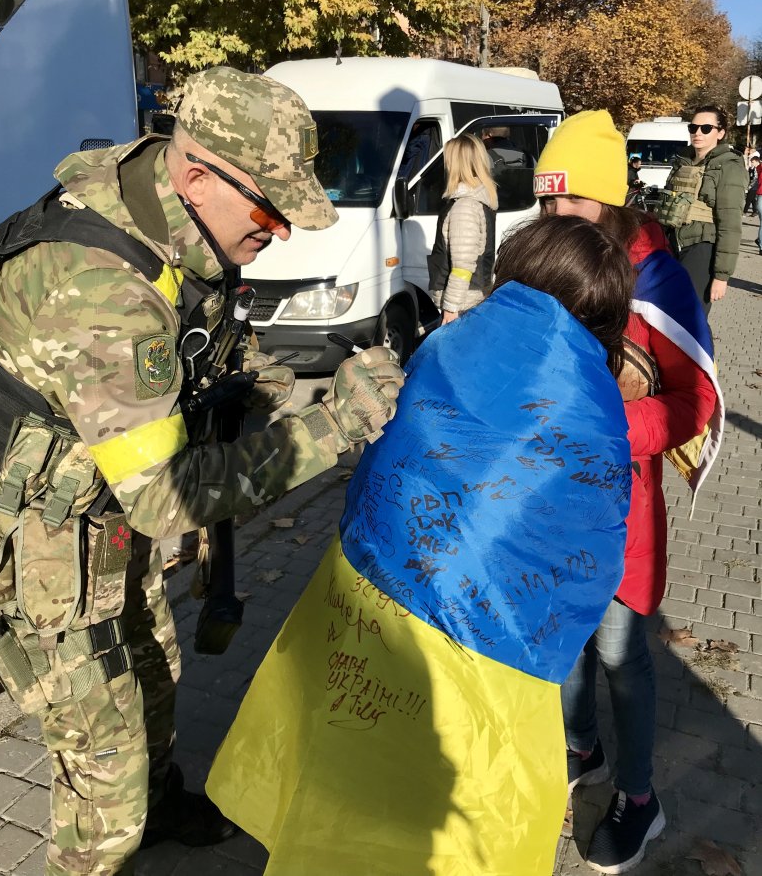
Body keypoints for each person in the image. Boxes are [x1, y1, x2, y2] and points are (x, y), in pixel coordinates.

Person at [0, 67, 404, 876]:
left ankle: (161, 805)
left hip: (106, 511)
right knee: (105, 769)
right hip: (44, 547)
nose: (279, 232)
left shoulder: (167, 215)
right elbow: (168, 499)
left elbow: (205, 346)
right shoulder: (100, 288)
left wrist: (262, 383)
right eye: (271, 209)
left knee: (156, 670)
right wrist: (335, 423)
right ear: (199, 175)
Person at [207, 215, 637, 876]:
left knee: (346, 789)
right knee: (452, 827)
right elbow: (596, 556)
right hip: (491, 661)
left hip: (366, 618)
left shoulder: (447, 344)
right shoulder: (600, 410)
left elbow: (390, 467)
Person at [534, 109, 722, 873]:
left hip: (619, 502)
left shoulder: (657, 275)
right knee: (565, 637)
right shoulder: (543, 257)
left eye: (568, 201)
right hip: (548, 493)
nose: (553, 217)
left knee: (618, 649)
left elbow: (695, 401)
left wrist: (610, 424)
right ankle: (582, 745)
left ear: (607, 198)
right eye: (545, 201)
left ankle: (640, 798)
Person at [657, 104, 746, 314]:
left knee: (691, 319)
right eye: (693, 127)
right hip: (671, 244)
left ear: (720, 133)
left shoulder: (728, 166)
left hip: (702, 247)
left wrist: (721, 276)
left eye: (706, 128)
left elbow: (730, 224)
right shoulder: (682, 161)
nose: (698, 133)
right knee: (666, 315)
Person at [427, 133, 498, 324]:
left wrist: (451, 308)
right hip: (471, 300)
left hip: (463, 305)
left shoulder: (464, 207)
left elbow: (463, 267)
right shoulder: (479, 202)